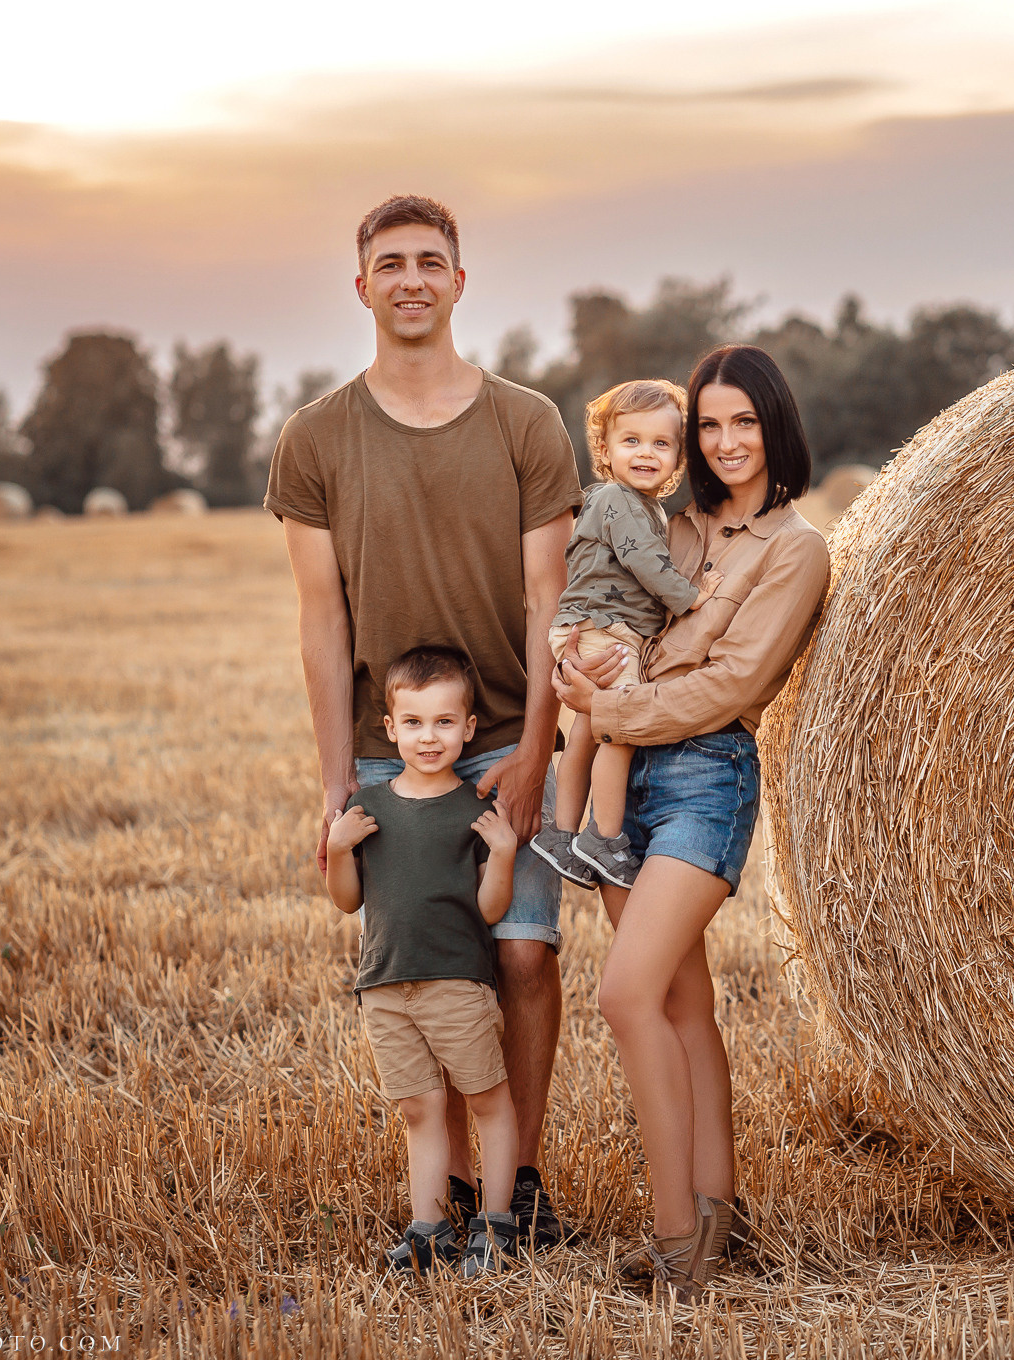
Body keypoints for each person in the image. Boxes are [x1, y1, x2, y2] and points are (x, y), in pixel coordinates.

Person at [266, 193, 580, 1249]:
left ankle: (517, 1188)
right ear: (363, 287)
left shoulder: (526, 422)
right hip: (386, 748)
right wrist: (335, 783)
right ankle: (444, 1199)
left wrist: (533, 755)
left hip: (507, 737)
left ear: (459, 281)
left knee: (524, 958)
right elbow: (322, 618)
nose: (412, 279)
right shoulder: (315, 437)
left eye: (430, 261)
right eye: (392, 263)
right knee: (430, 965)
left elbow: (549, 601)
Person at [552, 344, 830, 1299]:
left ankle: (676, 1242)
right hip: (623, 771)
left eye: (743, 421)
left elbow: (736, 684)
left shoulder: (796, 549)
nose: (725, 441)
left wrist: (611, 709)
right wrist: (577, 670)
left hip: (706, 777)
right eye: (708, 425)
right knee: (680, 1004)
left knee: (625, 995)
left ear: (774, 425)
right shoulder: (666, 524)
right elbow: (609, 614)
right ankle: (719, 1215)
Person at [326, 647, 521, 1277]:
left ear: (468, 727)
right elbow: (347, 900)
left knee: (487, 1098)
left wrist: (504, 855)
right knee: (419, 1109)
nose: (428, 737)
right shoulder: (369, 808)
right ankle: (429, 1230)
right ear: (390, 728)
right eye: (413, 722)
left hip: (456, 983)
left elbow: (491, 910)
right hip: (384, 983)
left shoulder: (475, 811)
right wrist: (338, 850)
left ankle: (496, 1222)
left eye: (444, 722)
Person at [531, 379, 722, 891]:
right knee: (622, 729)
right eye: (631, 440)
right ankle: (604, 837)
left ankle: (561, 834)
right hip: (605, 629)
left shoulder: (639, 504)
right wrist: (693, 597)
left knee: (587, 732)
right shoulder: (618, 500)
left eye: (661, 443)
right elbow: (646, 563)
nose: (645, 453)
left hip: (591, 626)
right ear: (605, 449)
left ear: (678, 457)